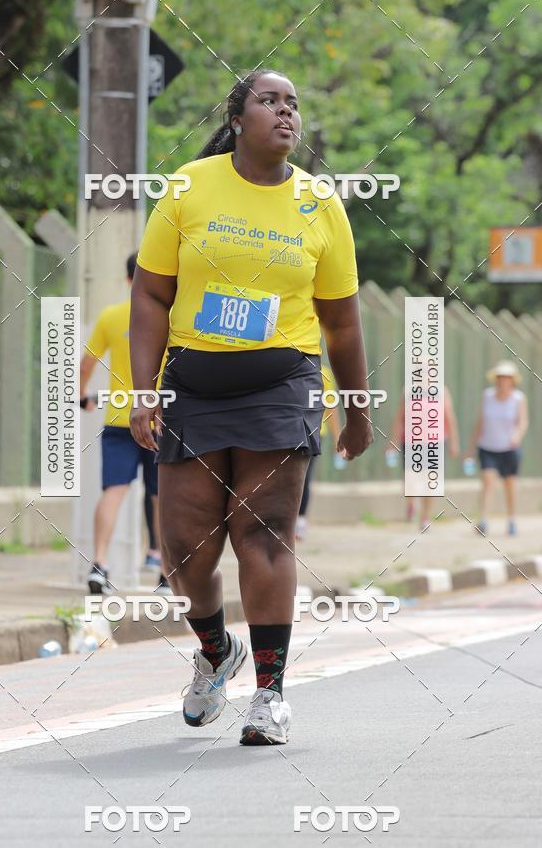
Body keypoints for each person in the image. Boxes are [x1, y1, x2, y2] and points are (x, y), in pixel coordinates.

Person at [129, 69, 372, 746]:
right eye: (270, 101)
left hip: (282, 384)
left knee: (262, 533)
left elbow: (343, 322)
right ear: (238, 118)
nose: (285, 112)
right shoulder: (189, 187)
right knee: (184, 550)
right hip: (195, 385)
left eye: (293, 103)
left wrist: (355, 407)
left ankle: (270, 695)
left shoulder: (320, 204)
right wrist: (144, 390)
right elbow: (151, 295)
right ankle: (215, 652)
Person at [79, 254, 168, 595]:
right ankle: (165, 573)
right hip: (160, 421)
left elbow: (87, 363)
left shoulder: (112, 316)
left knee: (113, 492)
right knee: (162, 498)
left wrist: (82, 397)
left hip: (119, 417)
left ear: (127, 278)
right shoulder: (168, 316)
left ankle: (99, 564)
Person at [466, 360, 528, 536]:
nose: (502, 380)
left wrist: (517, 435)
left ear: (512, 380)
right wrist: (471, 447)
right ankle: (483, 519)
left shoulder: (518, 399)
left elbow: (523, 421)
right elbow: (480, 422)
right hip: (488, 446)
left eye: (506, 377)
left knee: (510, 484)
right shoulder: (487, 396)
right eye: (500, 377)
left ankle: (512, 519)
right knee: (487, 481)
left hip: (509, 448)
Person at [388, 384, 459, 530]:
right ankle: (411, 503)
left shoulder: (441, 390)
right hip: (410, 441)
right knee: (410, 478)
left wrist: (454, 442)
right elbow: (399, 416)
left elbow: (449, 416)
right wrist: (392, 441)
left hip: (434, 442)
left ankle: (425, 517)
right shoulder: (408, 390)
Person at [295, 364, 342, 540]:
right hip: (288, 430)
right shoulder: (289, 365)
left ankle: (300, 521)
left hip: (313, 432)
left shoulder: (324, 372)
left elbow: (331, 407)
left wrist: (337, 437)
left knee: (304, 477)